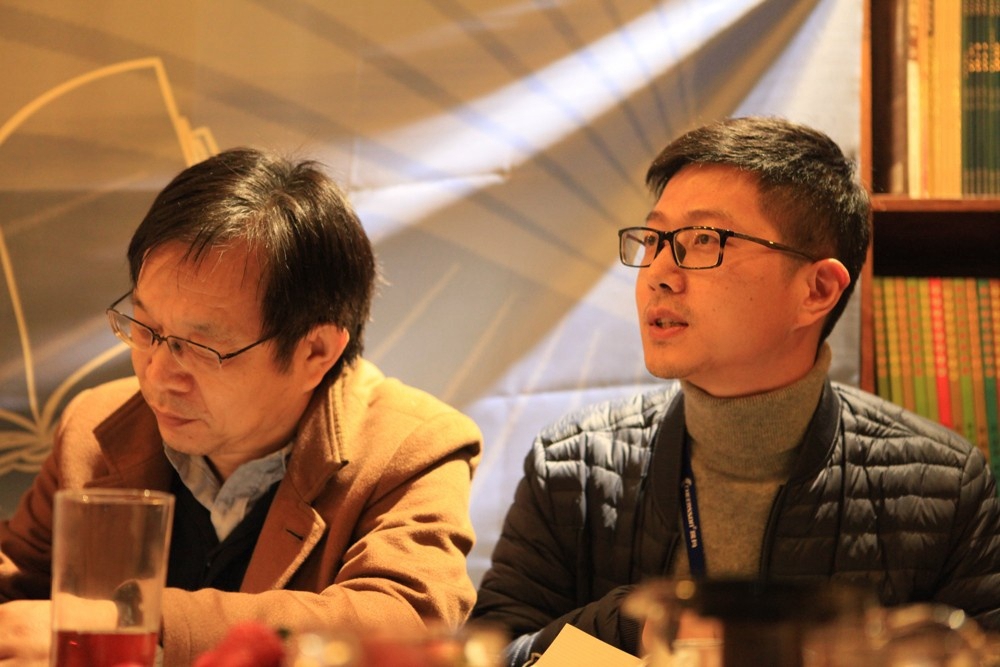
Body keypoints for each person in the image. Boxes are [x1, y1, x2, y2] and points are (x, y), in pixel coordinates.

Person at [470, 116, 1000, 665]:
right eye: (653, 239)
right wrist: (629, 628)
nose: (658, 272)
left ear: (817, 290)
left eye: (703, 240)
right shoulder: (574, 465)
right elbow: (493, 654)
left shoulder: (943, 487)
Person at [0, 147, 483, 665]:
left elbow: (404, 621)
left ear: (315, 352)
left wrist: (130, 623)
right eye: (145, 328)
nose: (157, 375)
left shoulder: (412, 448)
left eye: (201, 347)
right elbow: (17, 581)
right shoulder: (96, 424)